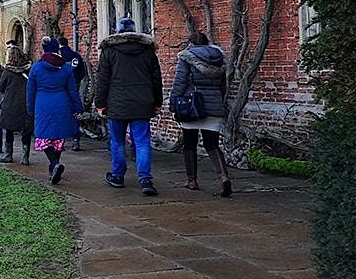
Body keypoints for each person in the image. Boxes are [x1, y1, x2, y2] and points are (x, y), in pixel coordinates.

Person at [96, 17, 163, 196]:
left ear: (117, 31)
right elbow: (157, 79)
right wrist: (158, 102)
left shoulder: (109, 52)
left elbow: (103, 80)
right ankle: (145, 179)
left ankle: (117, 175)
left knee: (117, 142)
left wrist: (100, 103)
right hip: (142, 103)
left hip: (116, 104)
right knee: (142, 143)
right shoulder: (148, 51)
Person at [171, 32, 232, 197]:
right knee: (212, 145)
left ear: (191, 43)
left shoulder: (186, 57)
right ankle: (224, 177)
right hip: (214, 105)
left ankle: (192, 180)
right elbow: (223, 86)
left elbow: (180, 81)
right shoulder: (219, 58)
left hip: (191, 106)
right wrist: (218, 102)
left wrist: (173, 102)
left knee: (189, 143)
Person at [28, 37, 84, 184]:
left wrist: (30, 108)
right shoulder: (66, 68)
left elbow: (30, 91)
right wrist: (78, 107)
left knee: (44, 137)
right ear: (57, 50)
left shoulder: (36, 68)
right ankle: (54, 165)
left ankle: (54, 164)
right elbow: (73, 91)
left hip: (42, 104)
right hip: (62, 103)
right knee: (58, 137)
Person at [0, 46, 33, 165]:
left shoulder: (7, 71)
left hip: (10, 103)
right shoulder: (29, 69)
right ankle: (25, 157)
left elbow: (1, 87)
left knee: (9, 130)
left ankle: (8, 155)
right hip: (25, 103)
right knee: (26, 131)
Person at [58, 35, 87, 151]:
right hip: (74, 88)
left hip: (61, 89)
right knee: (75, 114)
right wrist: (76, 83)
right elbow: (82, 73)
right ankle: (76, 141)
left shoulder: (58, 57)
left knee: (61, 115)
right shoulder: (76, 56)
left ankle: (61, 142)